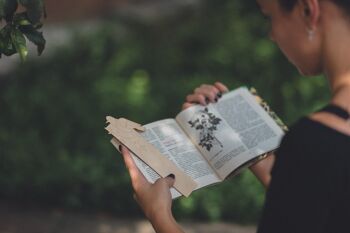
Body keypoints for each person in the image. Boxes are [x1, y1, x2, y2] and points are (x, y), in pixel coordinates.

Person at [120, 0, 350, 232]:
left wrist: (159, 215)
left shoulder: (317, 142)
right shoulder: (322, 147)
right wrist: (257, 154)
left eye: (270, 17)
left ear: (308, 10)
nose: (271, 34)